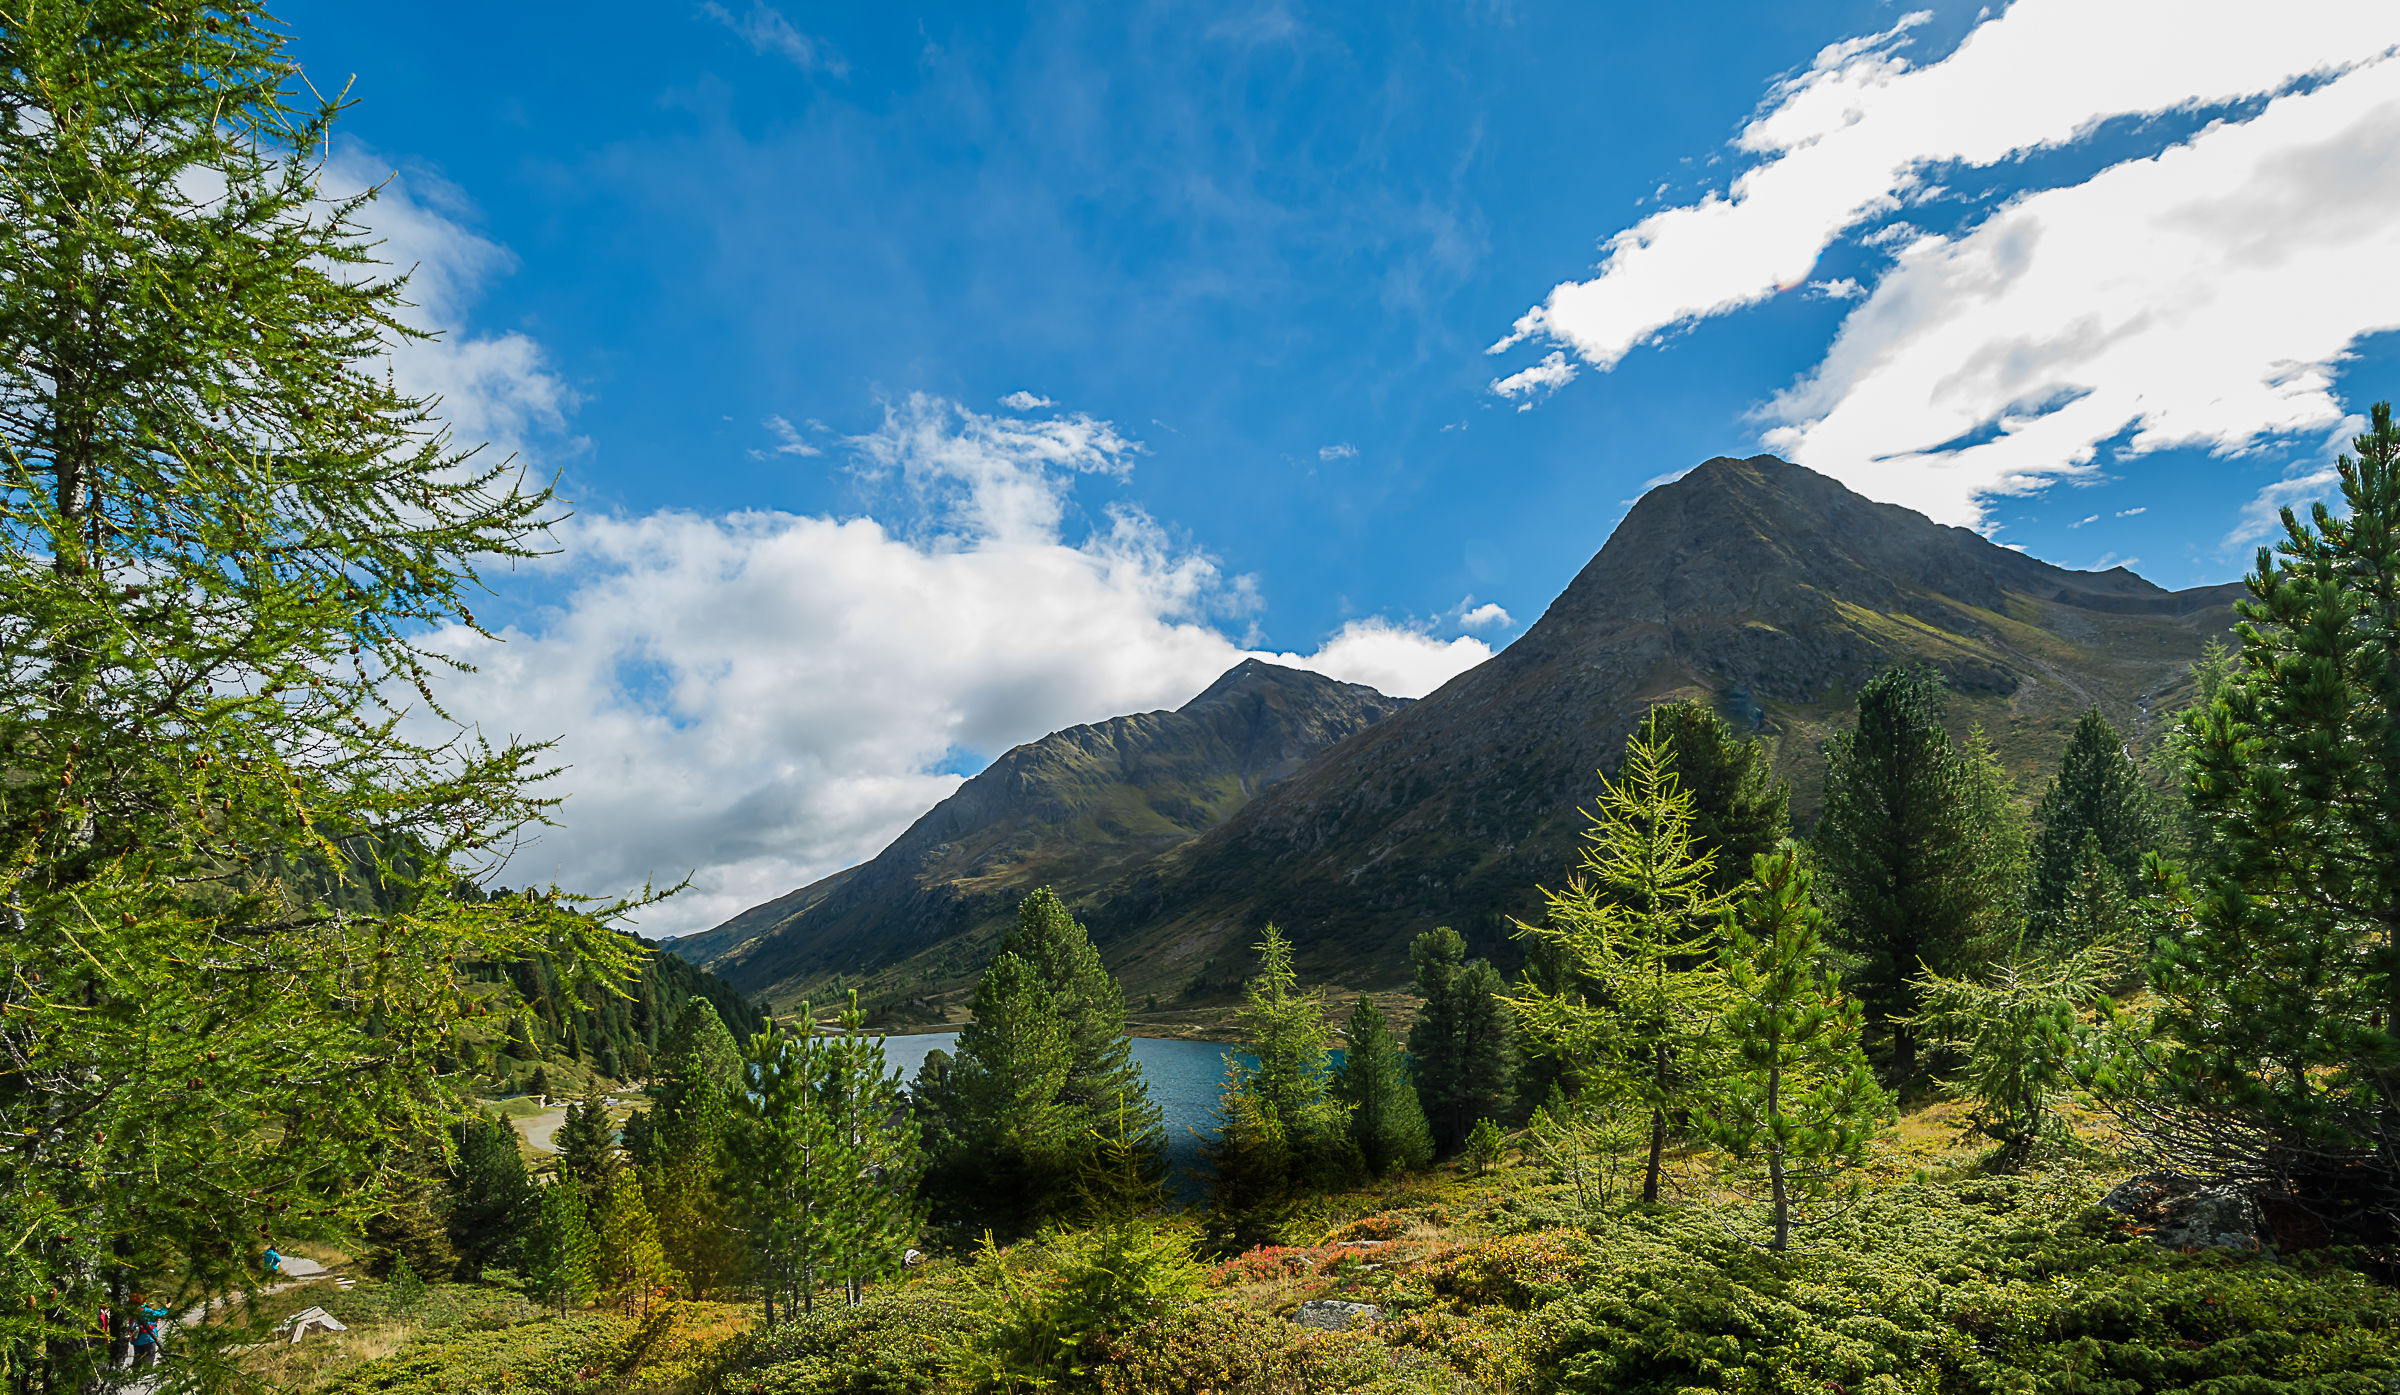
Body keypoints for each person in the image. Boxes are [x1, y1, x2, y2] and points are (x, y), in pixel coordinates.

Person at [127, 1295, 168, 1369]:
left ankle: (134, 1375)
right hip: (148, 1338)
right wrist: (166, 1309)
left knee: (137, 1358)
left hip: (136, 1339)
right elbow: (157, 1314)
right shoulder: (145, 1310)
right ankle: (146, 1375)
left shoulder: (132, 1310)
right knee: (149, 1358)